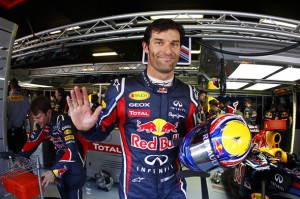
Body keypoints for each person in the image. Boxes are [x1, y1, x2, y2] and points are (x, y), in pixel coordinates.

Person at [67, 19, 199, 199]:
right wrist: (85, 128)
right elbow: (100, 133)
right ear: (146, 47)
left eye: (174, 44)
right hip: (135, 191)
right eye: (159, 42)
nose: (168, 51)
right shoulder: (122, 89)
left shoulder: (190, 95)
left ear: (180, 48)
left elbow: (193, 144)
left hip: (174, 189)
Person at [19, 96, 87, 199]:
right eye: (34, 118)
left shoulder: (62, 121)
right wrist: (20, 157)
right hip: (61, 157)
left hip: (76, 159)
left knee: (72, 189)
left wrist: (54, 171)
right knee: (62, 187)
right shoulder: (44, 124)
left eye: (38, 117)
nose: (36, 121)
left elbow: (73, 151)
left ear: (49, 112)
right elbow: (33, 141)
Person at [7, 78, 33, 154]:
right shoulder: (25, 99)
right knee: (23, 156)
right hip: (22, 133)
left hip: (11, 134)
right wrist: (31, 133)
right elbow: (31, 117)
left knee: (12, 158)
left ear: (10, 87)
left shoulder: (7, 100)